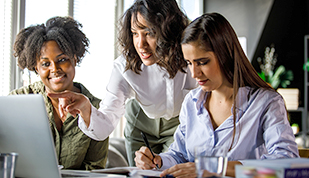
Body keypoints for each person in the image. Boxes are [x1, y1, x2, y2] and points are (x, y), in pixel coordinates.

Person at [134, 12, 299, 178]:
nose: (194, 73)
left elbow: (286, 163)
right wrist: (158, 161)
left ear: (225, 55)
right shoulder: (191, 102)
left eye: (202, 62)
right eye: (189, 63)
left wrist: (217, 167)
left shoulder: (266, 103)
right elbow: (180, 155)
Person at [48, 0, 198, 166]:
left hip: (181, 123)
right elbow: (106, 122)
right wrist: (86, 109)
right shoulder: (124, 65)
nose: (141, 45)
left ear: (168, 30)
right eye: (135, 33)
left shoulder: (192, 56)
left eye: (149, 33)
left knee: (173, 172)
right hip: (141, 125)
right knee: (142, 173)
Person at [9, 16, 109, 170]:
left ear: (74, 59)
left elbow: (95, 169)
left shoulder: (96, 109)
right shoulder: (17, 102)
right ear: (36, 68)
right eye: (45, 64)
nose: (55, 69)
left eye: (62, 59)